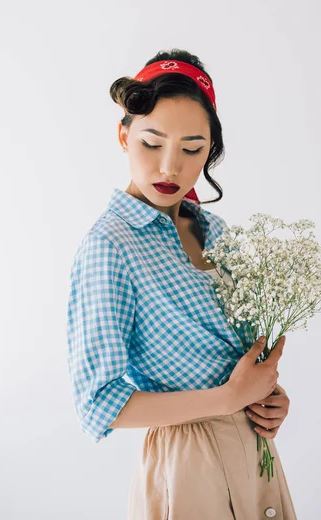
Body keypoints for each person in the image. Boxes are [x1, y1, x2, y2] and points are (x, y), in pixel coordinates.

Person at [66, 49, 297, 519]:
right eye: (152, 143)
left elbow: (236, 358)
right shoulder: (110, 245)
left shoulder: (216, 232)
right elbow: (99, 404)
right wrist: (229, 398)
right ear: (123, 135)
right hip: (186, 463)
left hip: (257, 454)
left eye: (192, 148)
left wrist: (269, 398)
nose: (170, 167)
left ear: (209, 149)